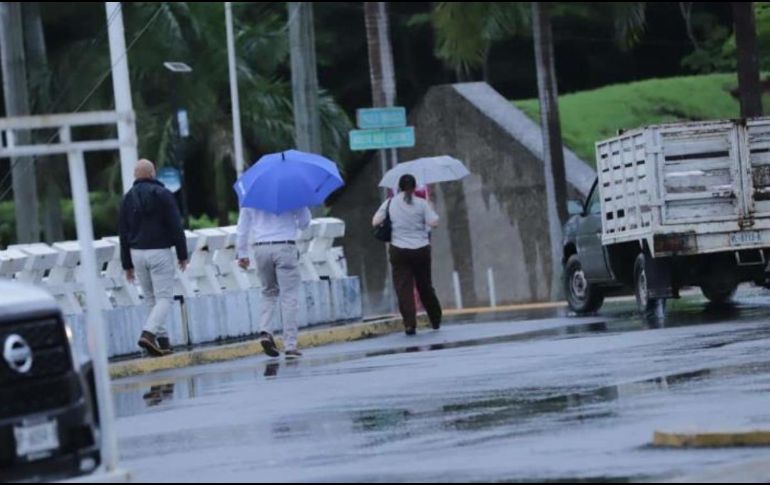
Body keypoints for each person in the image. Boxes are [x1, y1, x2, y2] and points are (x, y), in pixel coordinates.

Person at [119, 159, 188, 357]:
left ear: (135, 175)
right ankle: (148, 334)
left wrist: (127, 264)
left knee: (150, 298)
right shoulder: (163, 194)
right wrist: (182, 254)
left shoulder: (127, 198)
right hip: (159, 251)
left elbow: (123, 232)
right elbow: (176, 225)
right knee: (164, 298)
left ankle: (163, 342)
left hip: (136, 253)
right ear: (152, 173)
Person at [236, 205, 311, 359]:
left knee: (268, 292)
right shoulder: (292, 194)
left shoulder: (250, 197)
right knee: (289, 295)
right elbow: (304, 223)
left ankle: (265, 332)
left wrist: (242, 253)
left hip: (261, 248)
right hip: (285, 246)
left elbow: (242, 227)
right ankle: (290, 346)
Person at [372, 174, 442, 335]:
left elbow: (375, 221)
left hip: (399, 250)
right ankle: (435, 319)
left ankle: (410, 325)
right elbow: (434, 223)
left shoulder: (389, 203)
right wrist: (429, 207)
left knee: (404, 289)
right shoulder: (422, 203)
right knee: (425, 285)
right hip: (421, 250)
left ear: (399, 187)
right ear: (415, 187)